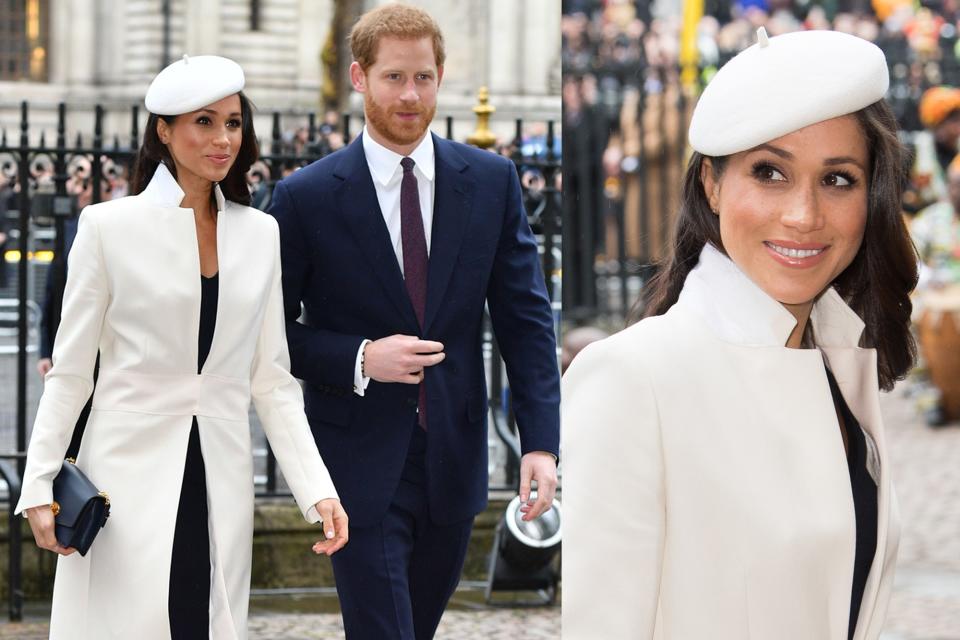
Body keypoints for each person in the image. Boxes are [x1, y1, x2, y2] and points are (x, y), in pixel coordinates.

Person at [562, 28, 917, 640]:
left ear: (871, 195)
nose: (804, 215)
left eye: (837, 179)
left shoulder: (839, 367)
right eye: (770, 172)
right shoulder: (633, 379)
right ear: (711, 183)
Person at [15, 55, 348, 640]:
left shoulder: (260, 233)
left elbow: (271, 380)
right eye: (204, 122)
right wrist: (39, 482)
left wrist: (316, 487)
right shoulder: (105, 227)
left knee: (204, 620)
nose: (223, 139)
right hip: (123, 473)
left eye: (234, 123)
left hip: (220, 470)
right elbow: (70, 373)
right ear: (164, 131)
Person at [268, 5, 560, 639]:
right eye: (394, 77)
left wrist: (539, 441)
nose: (410, 94)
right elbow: (264, 336)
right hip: (355, 464)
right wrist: (357, 358)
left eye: (423, 77)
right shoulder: (305, 197)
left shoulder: (490, 181)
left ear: (441, 76)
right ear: (359, 78)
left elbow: (526, 318)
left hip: (453, 460)